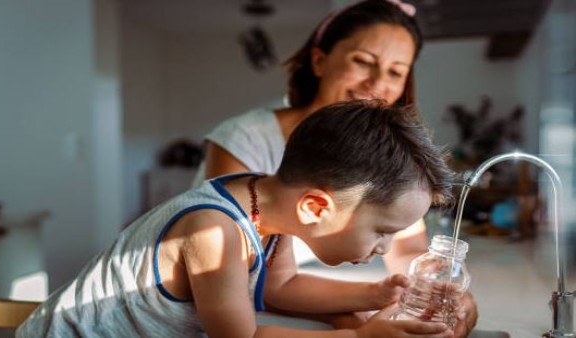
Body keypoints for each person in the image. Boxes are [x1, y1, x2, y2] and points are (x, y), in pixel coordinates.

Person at [18, 100, 458, 337]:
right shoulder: (215, 230)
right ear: (316, 208)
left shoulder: (263, 204)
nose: (384, 249)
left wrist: (373, 294)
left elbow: (281, 287)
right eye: (382, 232)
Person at [193, 0, 478, 335]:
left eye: (396, 72)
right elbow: (243, 283)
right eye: (362, 61)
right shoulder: (245, 140)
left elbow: (407, 249)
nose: (377, 82)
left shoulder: (388, 154)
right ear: (319, 60)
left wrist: (439, 295)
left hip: (300, 288)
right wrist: (348, 322)